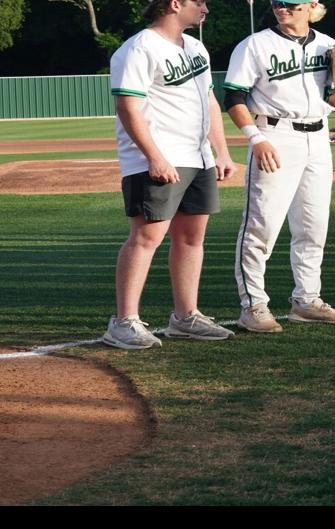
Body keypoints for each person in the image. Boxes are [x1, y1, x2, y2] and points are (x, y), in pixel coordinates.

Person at [102, 0, 239, 350]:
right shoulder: (139, 48)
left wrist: (221, 151)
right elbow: (127, 106)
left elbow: (209, 100)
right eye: (200, 2)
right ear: (175, 4)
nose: (206, 8)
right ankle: (123, 321)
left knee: (192, 237)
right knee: (146, 238)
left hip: (198, 157)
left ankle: (185, 316)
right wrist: (154, 157)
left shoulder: (195, 46)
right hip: (158, 159)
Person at [223, 0, 335, 334]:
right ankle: (253, 305)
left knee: (313, 226)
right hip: (274, 134)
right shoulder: (255, 44)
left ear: (312, 6)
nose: (282, 8)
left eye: (290, 4)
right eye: (277, 3)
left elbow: (333, 98)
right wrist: (255, 138)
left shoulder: (329, 46)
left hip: (318, 136)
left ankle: (307, 301)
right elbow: (234, 97)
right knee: (261, 225)